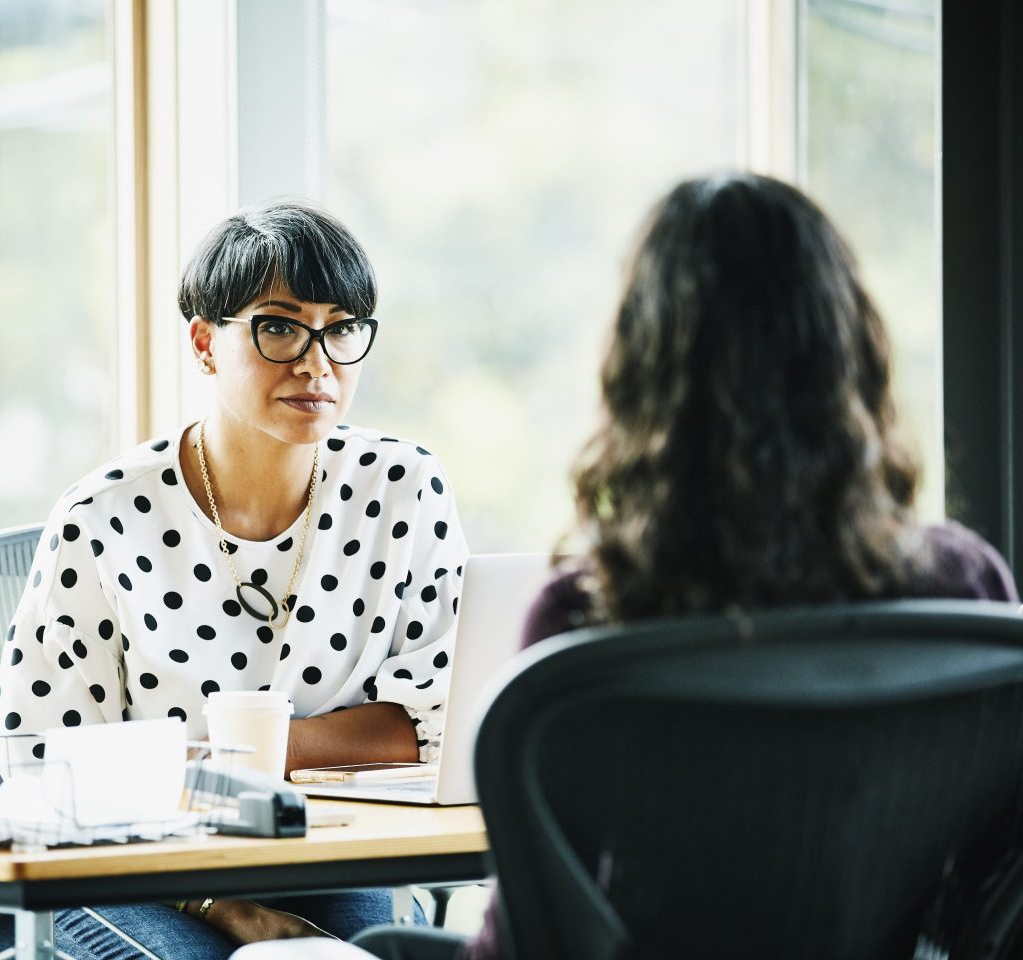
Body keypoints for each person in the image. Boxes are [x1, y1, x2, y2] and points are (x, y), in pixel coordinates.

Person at [349, 172, 1018, 960]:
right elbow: (992, 893)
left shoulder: (590, 615)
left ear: (637, 370)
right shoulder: (963, 589)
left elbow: (530, 943)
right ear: (853, 351)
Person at [0, 199, 469, 959]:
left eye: (341, 328)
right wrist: (221, 902)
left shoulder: (401, 489)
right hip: (124, 869)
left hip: (320, 856)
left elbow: (438, 722)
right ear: (205, 343)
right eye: (280, 326)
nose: (317, 363)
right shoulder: (105, 516)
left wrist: (261, 755)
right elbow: (43, 767)